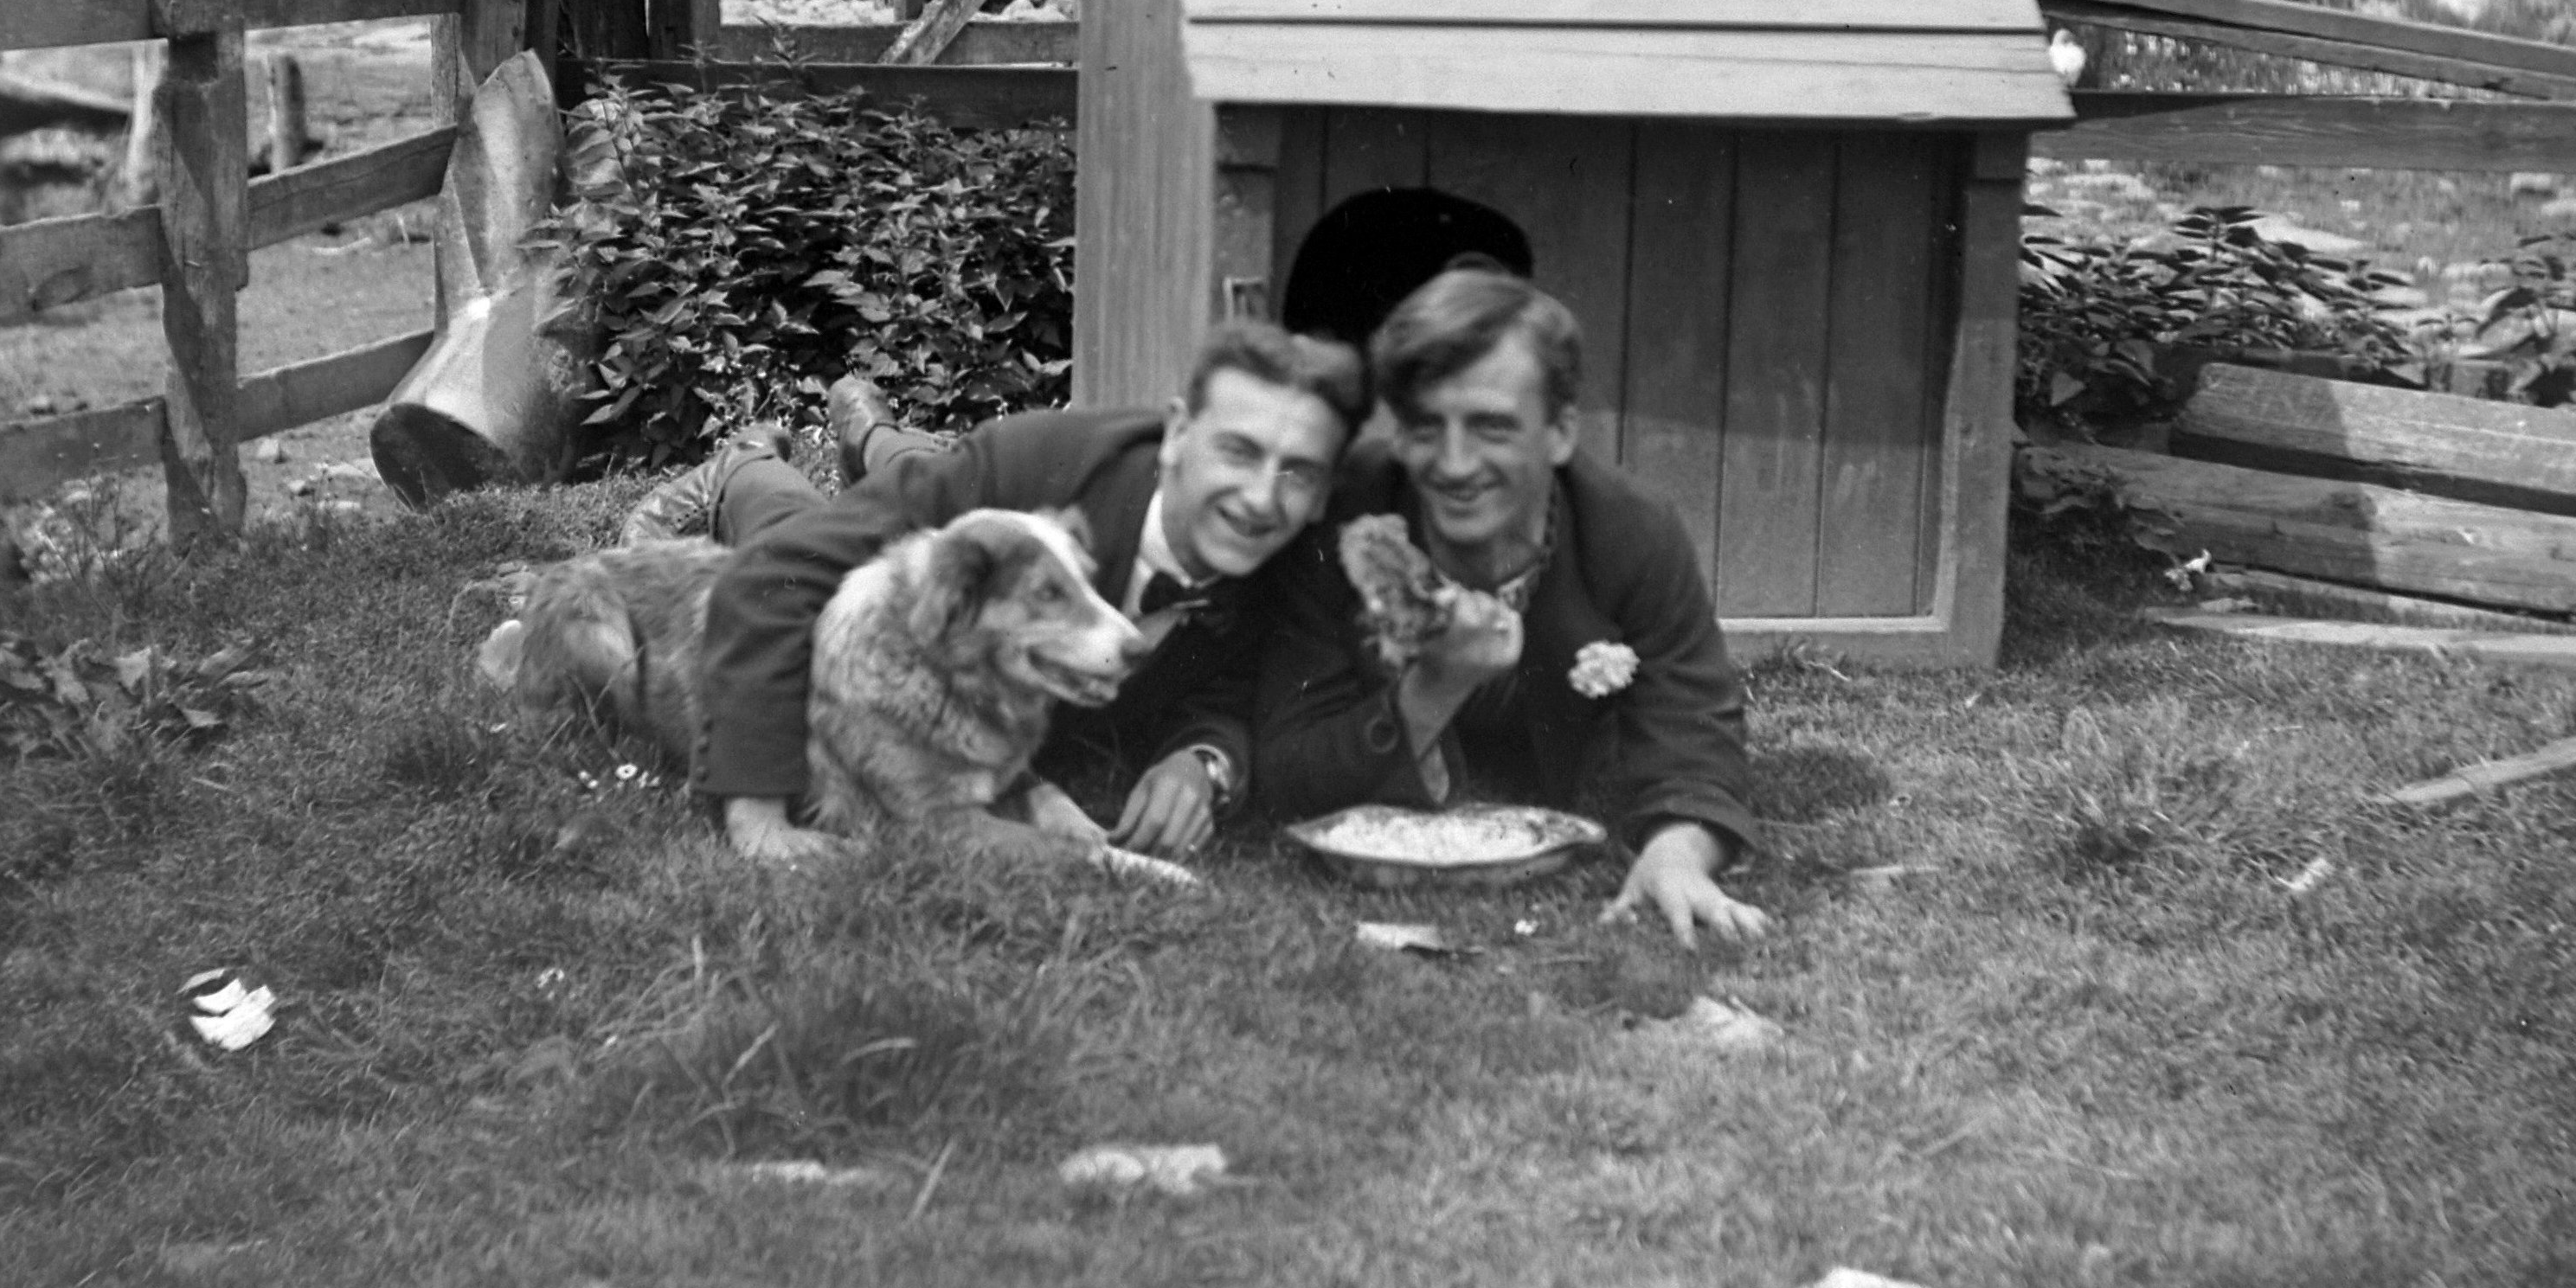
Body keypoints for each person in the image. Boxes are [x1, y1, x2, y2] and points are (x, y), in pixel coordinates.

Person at [647, 321, 1368, 862]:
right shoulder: (1025, 463)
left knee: (903, 464)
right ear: (1179, 433)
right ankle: (743, 464)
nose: (1261, 499)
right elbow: (768, 578)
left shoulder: (1293, 558)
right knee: (793, 530)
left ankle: (875, 434)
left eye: (1299, 471)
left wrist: (1203, 760)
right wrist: (755, 813)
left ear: (1326, 487)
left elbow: (1240, 689)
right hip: (967, 493)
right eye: (1238, 451)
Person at [1248, 267, 1770, 945]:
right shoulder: (1347, 518)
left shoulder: (1634, 533)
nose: (1457, 465)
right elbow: (1290, 772)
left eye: (1492, 427)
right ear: (1399, 435)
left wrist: (1677, 852)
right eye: (1428, 427)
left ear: (1559, 432)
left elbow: (1695, 733)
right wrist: (1435, 687)